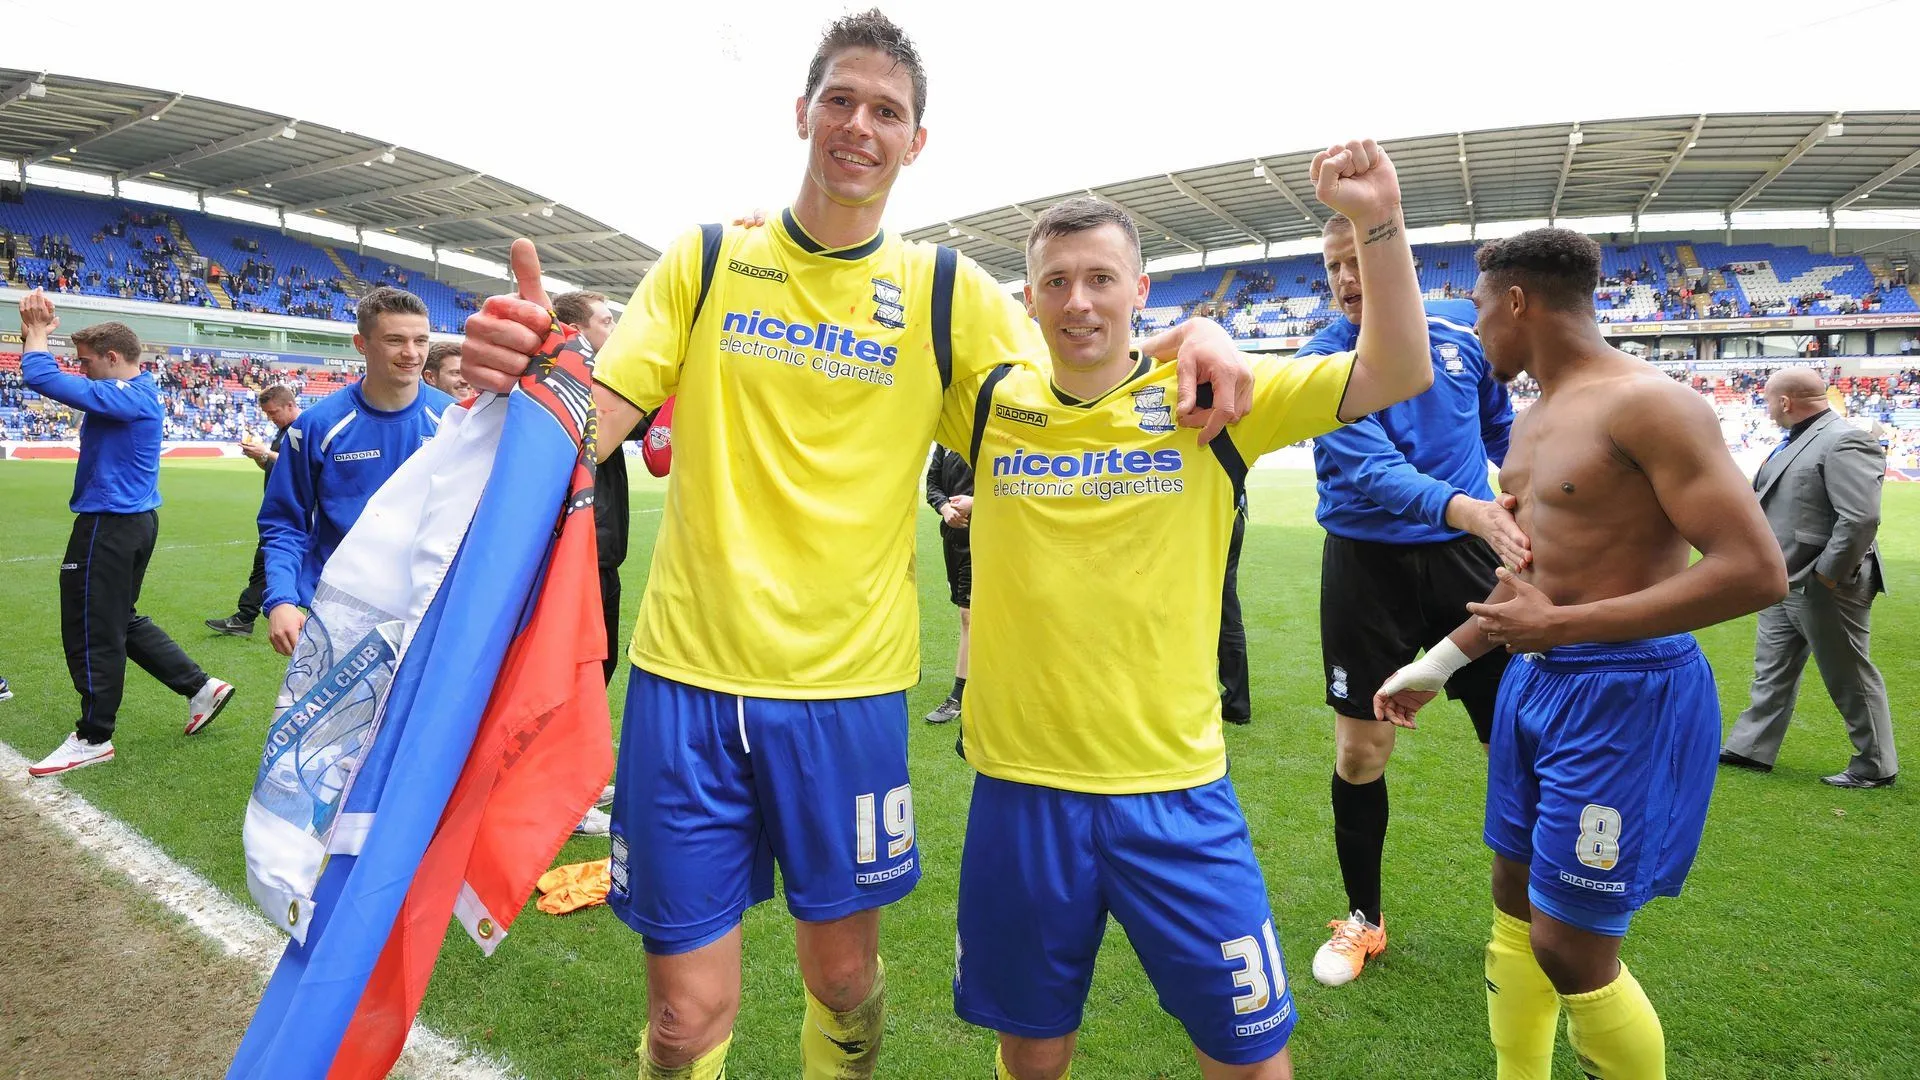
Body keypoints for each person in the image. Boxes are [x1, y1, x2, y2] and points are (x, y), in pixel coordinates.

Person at [456, 12, 1250, 1077]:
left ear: (916, 141)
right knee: (686, 1018)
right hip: (685, 683)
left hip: (847, 693)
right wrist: (524, 374)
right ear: (802, 114)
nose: (860, 126)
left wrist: (1191, 335)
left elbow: (1082, 392)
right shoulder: (706, 260)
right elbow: (590, 424)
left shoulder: (946, 295)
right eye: (841, 100)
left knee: (842, 982)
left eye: (888, 111)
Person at [943, 142, 1431, 1080]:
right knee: (1031, 1050)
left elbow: (1398, 367)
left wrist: (1379, 220)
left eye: (1099, 279)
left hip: (1173, 788)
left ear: (1140, 286)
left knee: (1248, 1055)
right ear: (1030, 297)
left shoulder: (1214, 400)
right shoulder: (988, 401)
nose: (1078, 301)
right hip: (1019, 784)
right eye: (1056, 282)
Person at [1373, 229, 1788, 1079]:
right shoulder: (1529, 423)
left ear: (1517, 302)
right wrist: (1444, 661)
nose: (1476, 328)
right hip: (1537, 685)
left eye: (1482, 309)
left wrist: (1561, 630)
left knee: (1571, 946)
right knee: (1515, 907)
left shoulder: (1651, 404)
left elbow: (1756, 572)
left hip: (1624, 695)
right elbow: (1541, 585)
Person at [1295, 213, 1523, 988]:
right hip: (1366, 569)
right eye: (1333, 267)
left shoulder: (1462, 331)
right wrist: (1474, 509)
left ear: (1402, 268)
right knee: (1362, 752)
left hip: (1468, 564)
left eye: (1358, 261)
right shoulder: (1322, 357)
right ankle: (1364, 919)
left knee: (1510, 745)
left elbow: (1501, 431)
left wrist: (1531, 486)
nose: (1347, 280)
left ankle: (1524, 924)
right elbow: (1371, 472)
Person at [16, 290, 235, 777]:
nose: (84, 370)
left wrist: (34, 334)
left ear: (114, 358)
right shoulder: (137, 393)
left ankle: (94, 736)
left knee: (90, 626)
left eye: (88, 362)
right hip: (130, 522)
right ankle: (199, 687)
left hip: (109, 525)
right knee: (120, 619)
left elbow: (39, 376)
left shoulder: (130, 397)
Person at [1720, 367, 1896, 788]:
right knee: (1771, 669)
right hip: (1784, 579)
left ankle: (1876, 765)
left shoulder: (1844, 439)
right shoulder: (1795, 440)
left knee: (1848, 674)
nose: (1765, 410)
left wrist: (1828, 576)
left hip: (1824, 584)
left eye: (1767, 401)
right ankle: (1751, 747)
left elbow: (1860, 519)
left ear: (1785, 402)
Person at [259, 288, 454, 657]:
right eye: (395, 340)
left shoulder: (454, 421)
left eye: (420, 340)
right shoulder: (316, 426)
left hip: (429, 604)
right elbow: (285, 521)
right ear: (361, 344)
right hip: (340, 607)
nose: (411, 353)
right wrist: (282, 598)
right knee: (337, 716)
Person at [553, 288, 622, 837]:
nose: (614, 327)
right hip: (573, 558)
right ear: (576, 329)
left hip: (602, 558)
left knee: (597, 673)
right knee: (571, 679)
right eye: (606, 320)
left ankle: (578, 778)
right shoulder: (567, 387)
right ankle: (563, 798)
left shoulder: (606, 384)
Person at [205, 384, 301, 638]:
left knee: (270, 563)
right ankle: (245, 617)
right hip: (278, 510)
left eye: (274, 412)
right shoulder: (283, 431)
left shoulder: (304, 429)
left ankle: (247, 617)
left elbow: (302, 466)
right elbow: (274, 468)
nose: (271, 418)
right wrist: (259, 459)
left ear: (290, 405)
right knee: (265, 565)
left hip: (294, 513)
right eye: (268, 414)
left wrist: (266, 453)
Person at [923, 443, 973, 725]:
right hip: (954, 542)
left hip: (991, 539)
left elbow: (1013, 487)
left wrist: (975, 503)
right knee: (969, 615)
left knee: (969, 616)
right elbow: (933, 483)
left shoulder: (996, 430)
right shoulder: (946, 443)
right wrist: (945, 508)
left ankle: (959, 695)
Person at [1217, 489, 1250, 724]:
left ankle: (1236, 702)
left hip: (1212, 515)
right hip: (1233, 511)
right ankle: (1236, 702)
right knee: (1226, 604)